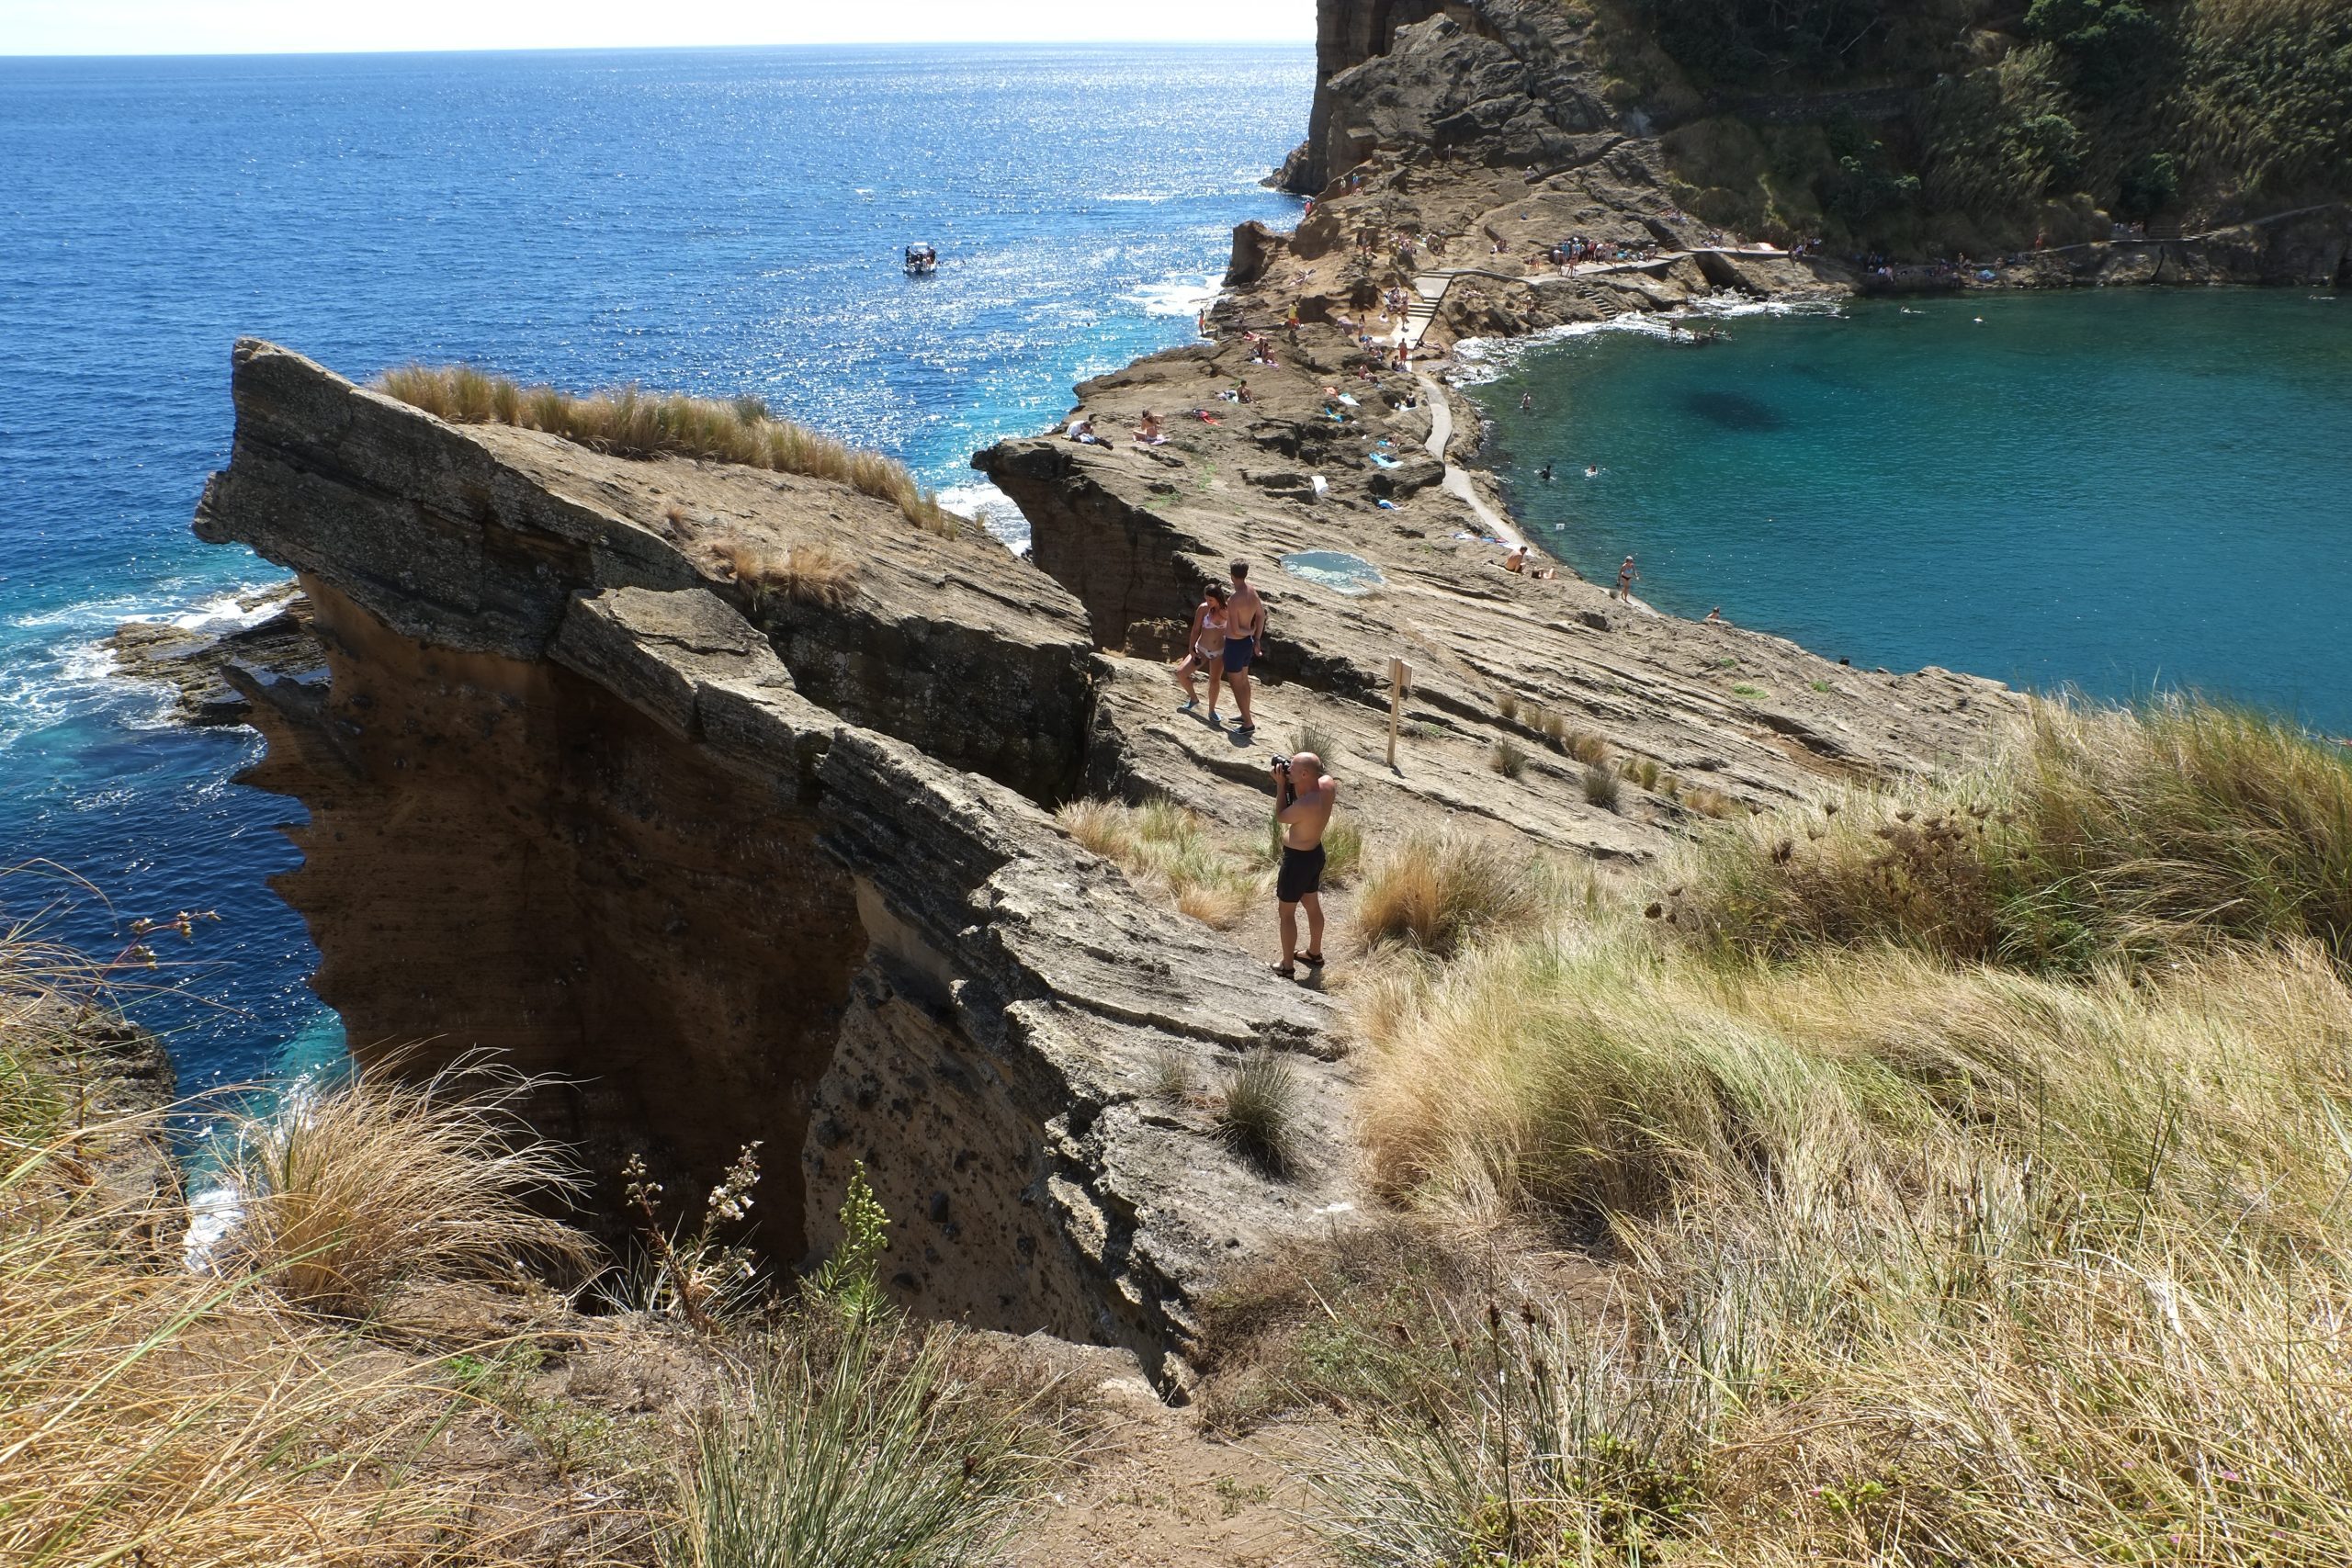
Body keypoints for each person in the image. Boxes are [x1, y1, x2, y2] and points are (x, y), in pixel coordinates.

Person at [1269, 751, 1339, 979]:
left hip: (1297, 861)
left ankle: (1287, 966)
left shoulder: (1306, 804)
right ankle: (1314, 953)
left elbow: (1281, 816)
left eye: (1292, 769)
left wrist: (1281, 786)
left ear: (1305, 773)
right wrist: (1295, 782)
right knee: (1311, 904)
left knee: (1286, 913)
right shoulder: (1327, 785)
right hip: (1314, 854)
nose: (1287, 770)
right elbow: (1313, 782)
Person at [1221, 559, 1266, 734]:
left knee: (1236, 684)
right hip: (1247, 645)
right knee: (1244, 681)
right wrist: (1257, 638)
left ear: (1232, 576)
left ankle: (1248, 724)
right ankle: (1244, 714)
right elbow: (1261, 616)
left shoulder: (1233, 600)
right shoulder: (1252, 591)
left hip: (1235, 645)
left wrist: (1248, 631)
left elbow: (1235, 629)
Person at [1174, 583, 1229, 716]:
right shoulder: (1203, 609)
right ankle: (1194, 699)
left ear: (1218, 598)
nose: (1208, 602)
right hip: (1201, 649)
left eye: (1211, 600)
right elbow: (1195, 630)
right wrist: (1191, 649)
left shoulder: (1227, 611)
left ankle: (1212, 710)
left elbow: (1236, 630)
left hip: (1219, 652)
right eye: (1206, 599)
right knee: (1181, 673)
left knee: (1214, 681)